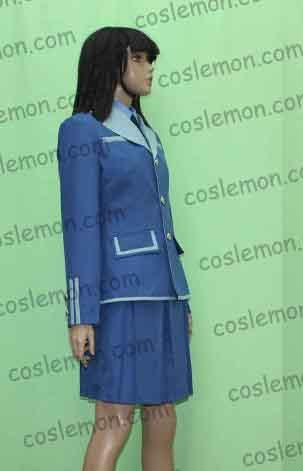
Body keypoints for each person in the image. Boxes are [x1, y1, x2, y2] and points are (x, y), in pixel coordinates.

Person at [57, 26, 193, 471]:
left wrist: (180, 295)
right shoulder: (82, 130)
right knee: (113, 421)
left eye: (149, 59)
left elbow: (162, 220)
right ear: (111, 64)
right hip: (118, 298)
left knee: (163, 417)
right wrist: (82, 314)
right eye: (139, 58)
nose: (148, 68)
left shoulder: (147, 134)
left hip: (162, 294)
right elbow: (80, 226)